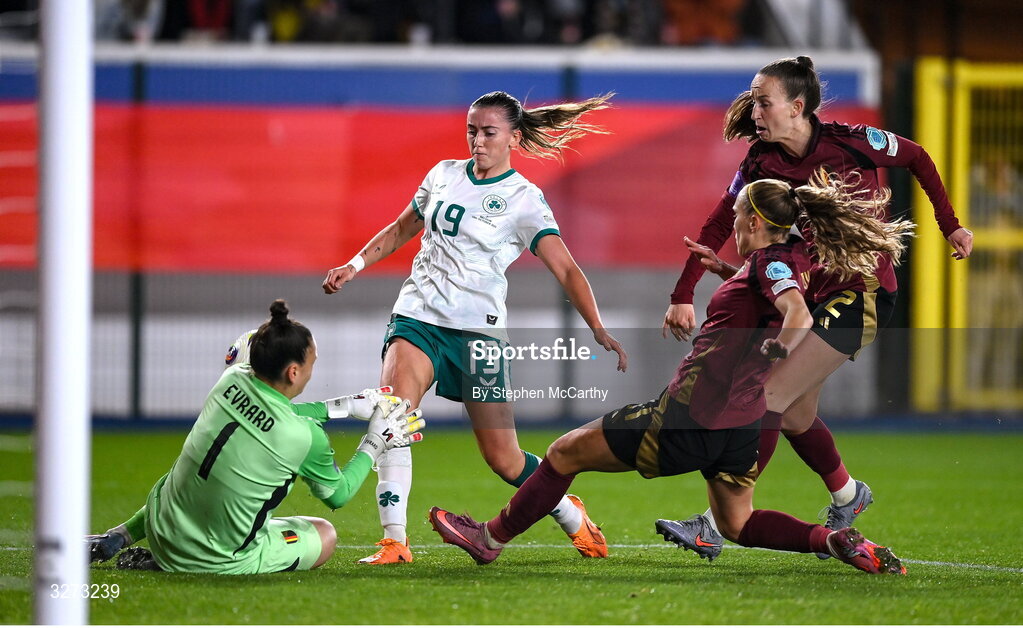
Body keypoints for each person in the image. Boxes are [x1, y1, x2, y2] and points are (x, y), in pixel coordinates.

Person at [429, 172, 913, 575]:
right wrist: (728, 272)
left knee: (564, 451)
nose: (734, 224)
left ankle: (489, 538)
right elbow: (774, 293)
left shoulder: (769, 264)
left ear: (754, 220)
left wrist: (782, 343)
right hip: (743, 427)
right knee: (736, 524)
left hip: (690, 416)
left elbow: (796, 315)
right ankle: (834, 541)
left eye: (739, 215)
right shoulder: (787, 259)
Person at [660, 55, 973, 560]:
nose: (754, 109)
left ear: (797, 106)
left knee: (766, 394)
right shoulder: (761, 161)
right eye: (753, 99)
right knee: (795, 413)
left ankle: (715, 525)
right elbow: (720, 223)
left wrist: (950, 223)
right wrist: (682, 292)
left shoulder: (852, 142)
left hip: (864, 294)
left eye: (764, 101)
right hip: (818, 294)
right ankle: (849, 496)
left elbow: (917, 156)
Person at [322, 90, 628, 564]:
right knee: (392, 421)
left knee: (503, 458)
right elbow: (404, 227)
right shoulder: (443, 174)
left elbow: (566, 268)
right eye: (472, 131)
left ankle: (570, 513)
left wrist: (597, 326)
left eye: (488, 133)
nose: (478, 142)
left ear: (513, 138)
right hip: (418, 318)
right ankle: (394, 541)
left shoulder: (524, 199)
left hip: (479, 334)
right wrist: (355, 263)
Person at [85, 299, 425, 574]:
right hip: (216, 559)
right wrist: (375, 441)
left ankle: (119, 536)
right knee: (324, 533)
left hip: (163, 529)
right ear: (294, 372)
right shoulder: (304, 437)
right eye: (311, 363)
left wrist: (345, 406)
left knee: (189, 480)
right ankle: (189, 561)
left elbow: (276, 411)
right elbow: (339, 495)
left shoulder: (229, 381)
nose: (312, 370)